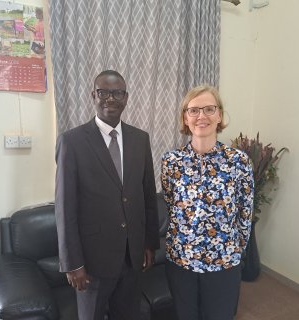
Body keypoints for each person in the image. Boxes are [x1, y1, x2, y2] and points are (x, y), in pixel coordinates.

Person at [55, 70, 159, 320]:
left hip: (131, 256)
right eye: (103, 92)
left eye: (117, 93)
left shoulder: (140, 139)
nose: (110, 98)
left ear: (126, 98)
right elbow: (64, 207)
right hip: (92, 262)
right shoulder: (72, 141)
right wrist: (73, 262)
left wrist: (148, 243)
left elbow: (147, 195)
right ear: (93, 95)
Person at [161, 85, 254, 320]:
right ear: (185, 117)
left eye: (209, 109)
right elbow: (172, 206)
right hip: (181, 262)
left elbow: (245, 213)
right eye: (194, 110)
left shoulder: (239, 161)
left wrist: (234, 250)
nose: (201, 116)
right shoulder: (171, 162)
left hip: (224, 263)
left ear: (220, 115)